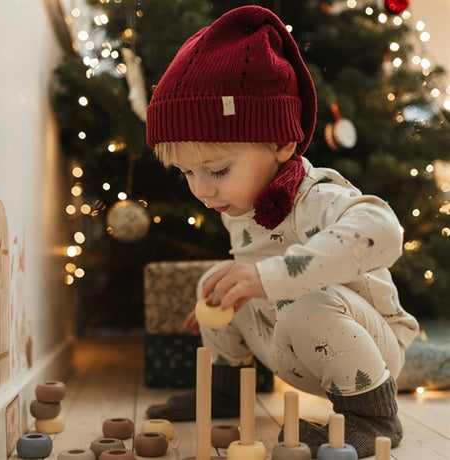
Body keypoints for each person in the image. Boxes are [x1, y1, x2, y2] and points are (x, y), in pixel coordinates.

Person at [145, 5, 419, 458]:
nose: (202, 189)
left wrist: (267, 278)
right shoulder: (239, 200)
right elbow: (254, 273)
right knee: (216, 282)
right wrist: (232, 302)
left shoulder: (315, 197)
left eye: (216, 169)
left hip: (369, 354)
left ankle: (374, 416)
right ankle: (228, 391)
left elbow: (383, 230)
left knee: (305, 300)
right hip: (291, 345)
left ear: (281, 143)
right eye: (186, 173)